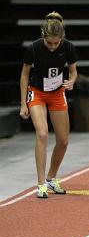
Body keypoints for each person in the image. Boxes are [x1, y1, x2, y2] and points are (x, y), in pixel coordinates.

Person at [19, 11, 77, 198]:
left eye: (56, 43)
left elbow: (73, 71)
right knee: (42, 133)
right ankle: (41, 183)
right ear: (43, 37)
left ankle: (52, 177)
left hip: (57, 93)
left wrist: (72, 81)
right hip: (37, 93)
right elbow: (25, 74)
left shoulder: (68, 47)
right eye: (49, 43)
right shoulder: (34, 48)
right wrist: (23, 104)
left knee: (63, 140)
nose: (53, 47)